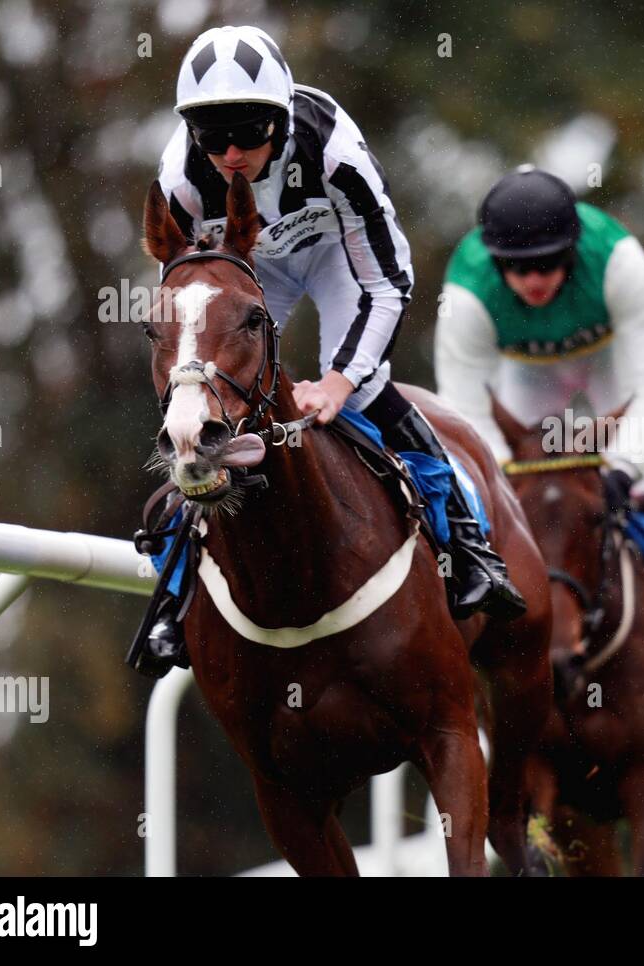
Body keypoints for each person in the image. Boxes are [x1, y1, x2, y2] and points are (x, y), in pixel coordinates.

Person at [135, 25, 523, 677]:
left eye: (249, 129)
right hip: (252, 270)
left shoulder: (335, 152)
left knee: (369, 392)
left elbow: (387, 279)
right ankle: (171, 599)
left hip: (344, 262)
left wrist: (341, 380)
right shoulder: (181, 179)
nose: (231, 152)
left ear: (280, 119)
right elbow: (188, 300)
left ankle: (470, 548)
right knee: (203, 418)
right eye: (211, 135)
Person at [434, 165, 644, 619]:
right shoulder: (466, 292)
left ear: (573, 249)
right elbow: (463, 408)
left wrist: (625, 470)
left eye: (547, 263)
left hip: (611, 360)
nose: (533, 280)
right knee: (508, 498)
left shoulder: (619, 259)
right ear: (494, 260)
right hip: (526, 373)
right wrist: (504, 478)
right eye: (517, 266)